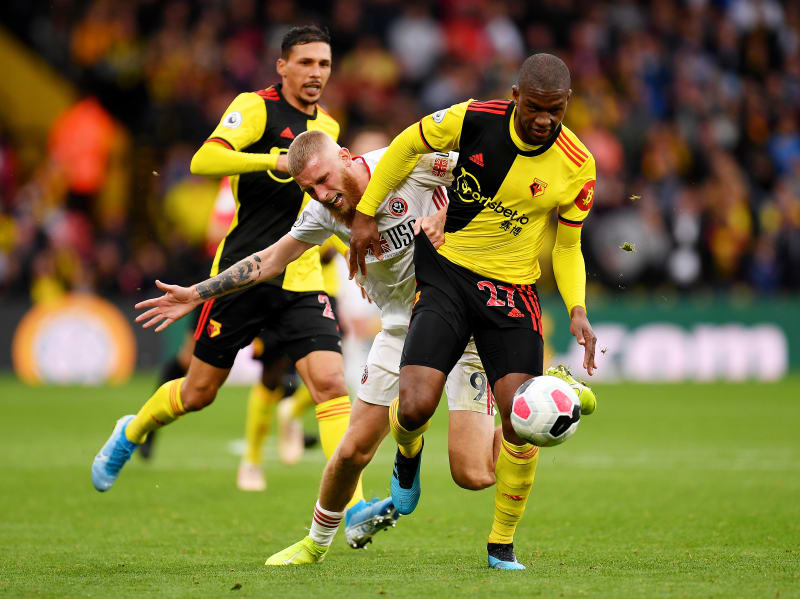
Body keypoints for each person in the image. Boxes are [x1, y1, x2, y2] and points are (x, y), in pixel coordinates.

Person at [132, 129, 502, 563]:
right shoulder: (323, 213)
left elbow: (489, 169)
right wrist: (197, 294)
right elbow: (269, 259)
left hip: (462, 322)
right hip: (401, 328)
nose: (322, 194)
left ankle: (540, 413)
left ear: (346, 156)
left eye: (324, 179)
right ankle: (315, 544)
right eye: (309, 188)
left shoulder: (403, 163)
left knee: (474, 475)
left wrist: (448, 214)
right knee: (350, 451)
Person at [91, 26, 369, 516]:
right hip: (242, 268)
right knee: (198, 393)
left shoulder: (327, 125)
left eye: (323, 64)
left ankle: (353, 509)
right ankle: (131, 431)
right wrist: (274, 160)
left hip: (300, 274)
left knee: (330, 384)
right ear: (282, 66)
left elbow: (328, 202)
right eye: (305, 63)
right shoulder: (256, 107)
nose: (315, 73)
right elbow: (204, 159)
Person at [348, 53, 599, 570]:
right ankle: (407, 458)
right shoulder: (472, 118)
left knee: (522, 424)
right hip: (447, 273)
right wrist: (366, 211)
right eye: (534, 108)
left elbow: (569, 247)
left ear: (567, 103)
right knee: (414, 405)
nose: (544, 120)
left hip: (512, 293)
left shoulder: (578, 165)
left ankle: (501, 545)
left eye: (555, 110)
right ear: (515, 97)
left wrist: (577, 308)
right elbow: (405, 145)